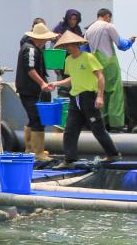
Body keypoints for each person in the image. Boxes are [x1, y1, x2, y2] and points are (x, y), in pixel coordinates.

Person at [48, 30, 120, 166]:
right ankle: (69, 159)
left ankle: (113, 154)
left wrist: (99, 96)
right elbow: (72, 78)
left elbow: (100, 76)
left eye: (69, 45)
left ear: (76, 44)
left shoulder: (88, 57)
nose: (67, 48)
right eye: (65, 46)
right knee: (70, 130)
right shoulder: (68, 60)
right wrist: (56, 83)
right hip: (75, 98)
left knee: (97, 128)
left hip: (89, 96)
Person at [84, 8, 136, 131]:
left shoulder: (89, 30)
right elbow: (121, 45)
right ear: (107, 16)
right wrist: (130, 41)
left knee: (101, 92)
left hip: (95, 64)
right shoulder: (108, 26)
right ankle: (116, 124)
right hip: (109, 63)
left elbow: (85, 49)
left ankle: (103, 122)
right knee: (115, 93)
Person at [14, 22, 57, 162]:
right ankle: (37, 152)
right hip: (29, 90)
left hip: (29, 90)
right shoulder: (31, 49)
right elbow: (30, 69)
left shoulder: (32, 48)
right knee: (37, 118)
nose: (46, 41)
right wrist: (42, 83)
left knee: (33, 118)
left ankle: (31, 149)